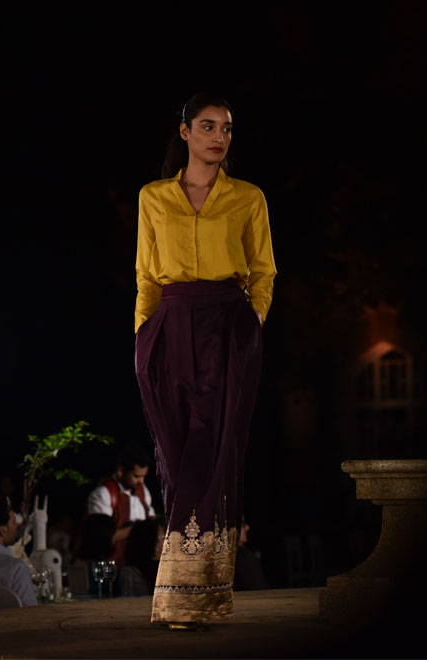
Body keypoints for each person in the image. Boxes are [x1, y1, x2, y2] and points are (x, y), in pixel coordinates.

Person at [134, 92, 276, 627]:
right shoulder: (153, 197)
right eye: (209, 126)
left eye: (228, 128)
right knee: (174, 453)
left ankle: (194, 595)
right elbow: (146, 275)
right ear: (185, 132)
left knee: (214, 451)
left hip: (228, 325)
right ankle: (188, 587)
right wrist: (142, 335)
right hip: (169, 325)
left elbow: (263, 271)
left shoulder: (248, 197)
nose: (220, 137)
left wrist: (251, 323)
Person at [87, 445, 155, 568]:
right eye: (137, 476)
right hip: (110, 567)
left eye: (144, 476)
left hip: (137, 567)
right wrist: (139, 528)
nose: (141, 481)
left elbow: (152, 520)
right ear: (121, 471)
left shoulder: (143, 491)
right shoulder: (104, 493)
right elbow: (103, 538)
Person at [119, 517, 166, 597]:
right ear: (150, 542)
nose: (167, 542)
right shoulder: (131, 574)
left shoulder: (163, 568)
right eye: (163, 538)